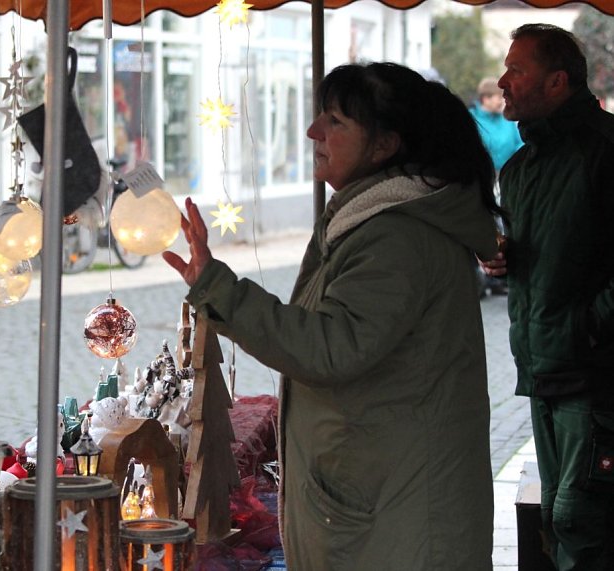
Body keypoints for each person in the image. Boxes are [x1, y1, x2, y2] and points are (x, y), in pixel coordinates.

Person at [164, 62, 502, 569]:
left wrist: (219, 289)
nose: (313, 132)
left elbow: (329, 348)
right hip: (384, 492)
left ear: (385, 146)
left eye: (336, 122)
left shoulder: (397, 236)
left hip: (396, 513)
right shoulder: (374, 219)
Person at [482, 23, 614, 570]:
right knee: (558, 531)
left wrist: (590, 327)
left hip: (596, 376)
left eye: (517, 69)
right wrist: (502, 258)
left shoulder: (605, 151)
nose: (503, 80)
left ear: (557, 80)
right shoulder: (520, 169)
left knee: (581, 525)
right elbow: (541, 259)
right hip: (544, 374)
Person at [470, 77, 523, 297]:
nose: (501, 101)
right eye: (495, 97)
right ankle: (482, 271)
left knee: (506, 222)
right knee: (485, 221)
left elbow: (519, 144)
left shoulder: (508, 120)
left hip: (507, 178)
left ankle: (502, 269)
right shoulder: (472, 119)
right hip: (484, 178)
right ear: (485, 98)